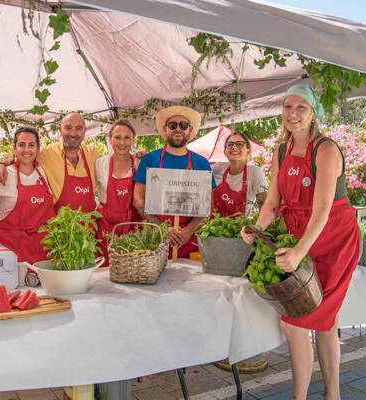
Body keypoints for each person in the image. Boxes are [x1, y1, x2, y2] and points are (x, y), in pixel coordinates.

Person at [241, 84, 360, 400]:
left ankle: (299, 397)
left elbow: (322, 210)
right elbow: (271, 203)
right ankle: (332, 395)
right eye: (287, 107)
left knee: (297, 323)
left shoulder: (326, 149)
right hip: (298, 235)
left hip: (333, 238)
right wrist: (256, 227)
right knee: (324, 322)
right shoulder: (281, 150)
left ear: (313, 114)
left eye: (301, 108)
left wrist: (298, 251)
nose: (292, 114)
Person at [133, 106, 215, 259]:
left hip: (190, 239)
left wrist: (188, 231)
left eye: (183, 125)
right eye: (173, 125)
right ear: (165, 130)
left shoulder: (202, 163)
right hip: (156, 238)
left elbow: (207, 205)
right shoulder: (150, 159)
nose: (178, 129)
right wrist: (162, 229)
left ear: (189, 130)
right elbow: (138, 200)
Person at [0, 112, 103, 213]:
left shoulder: (93, 154)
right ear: (60, 130)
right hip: (58, 230)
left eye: (78, 128)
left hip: (89, 229)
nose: (73, 133)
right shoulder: (46, 154)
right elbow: (21, 156)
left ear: (84, 131)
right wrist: (0, 165)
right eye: (68, 128)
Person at [0, 126, 55, 263]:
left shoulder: (46, 170)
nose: (27, 150)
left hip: (43, 251)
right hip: (11, 251)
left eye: (31, 145)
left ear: (38, 148)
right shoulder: (3, 175)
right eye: (21, 145)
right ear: (14, 148)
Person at [94, 119, 141, 267]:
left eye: (127, 137)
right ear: (110, 139)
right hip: (106, 227)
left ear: (133, 140)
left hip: (132, 225)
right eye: (117, 137)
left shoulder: (140, 163)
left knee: (132, 269)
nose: (122, 142)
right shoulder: (99, 163)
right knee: (105, 270)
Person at [212, 132, 267, 216]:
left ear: (248, 151)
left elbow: (264, 206)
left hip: (239, 228)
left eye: (239, 144)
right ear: (225, 151)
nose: (234, 147)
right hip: (212, 226)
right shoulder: (217, 168)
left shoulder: (254, 172)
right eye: (230, 144)